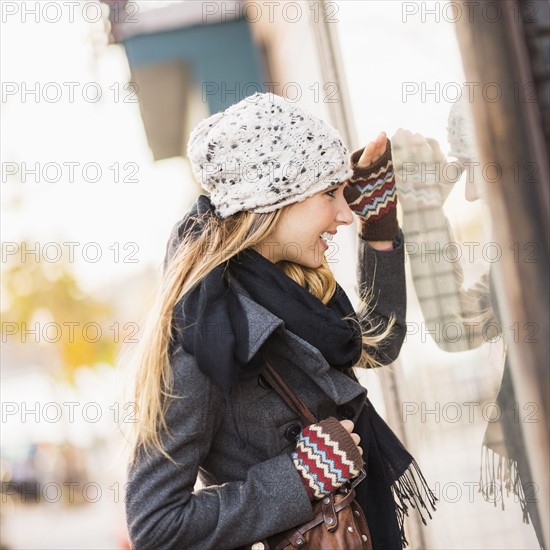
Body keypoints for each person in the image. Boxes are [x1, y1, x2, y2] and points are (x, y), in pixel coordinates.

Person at [125, 92, 435, 550]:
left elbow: (375, 342)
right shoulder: (206, 337)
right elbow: (155, 525)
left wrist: (380, 228)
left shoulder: (292, 290)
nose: (344, 213)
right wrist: (298, 476)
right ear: (272, 201)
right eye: (329, 194)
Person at [391, 92, 543, 548]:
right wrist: (422, 211)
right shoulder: (519, 259)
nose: (470, 190)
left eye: (473, 165)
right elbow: (456, 328)